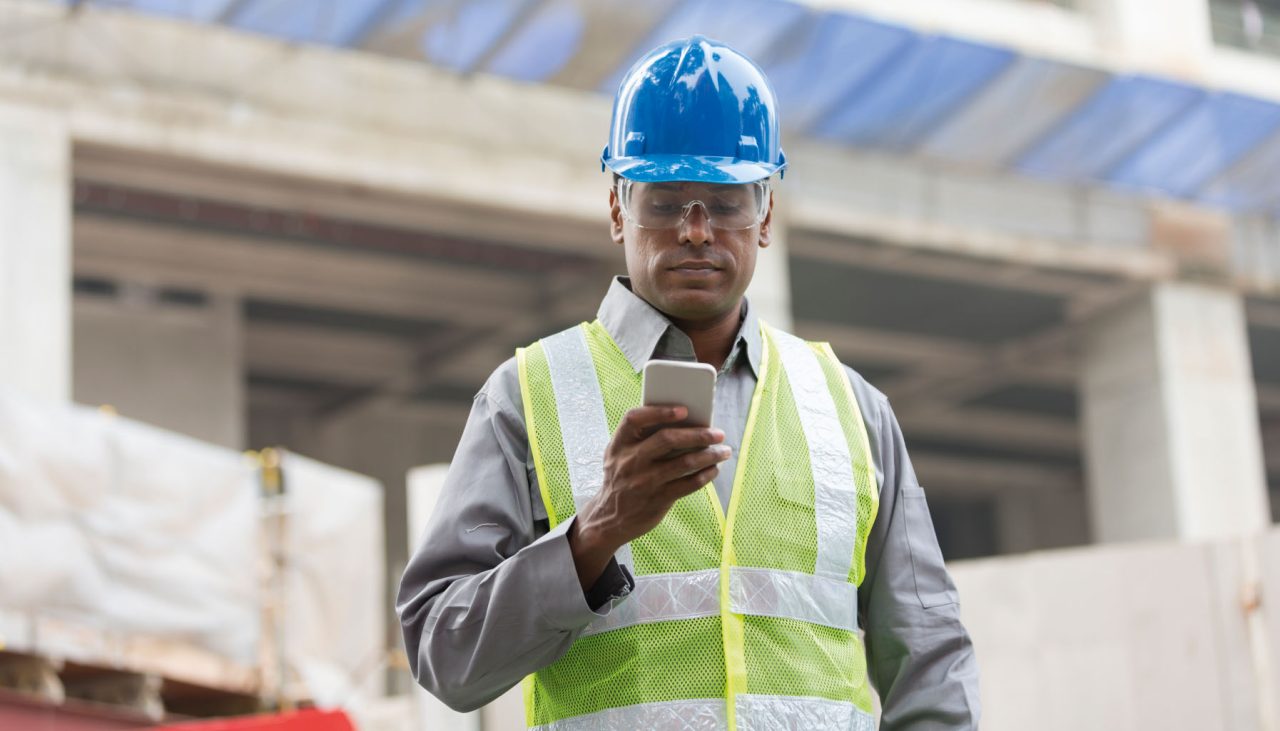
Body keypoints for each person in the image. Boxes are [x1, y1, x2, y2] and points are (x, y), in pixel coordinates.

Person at [397, 35, 980, 730]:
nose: (697, 231)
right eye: (667, 202)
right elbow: (445, 655)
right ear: (618, 208)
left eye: (725, 202)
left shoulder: (853, 408)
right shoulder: (526, 395)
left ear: (765, 215)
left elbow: (931, 664)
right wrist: (595, 535)